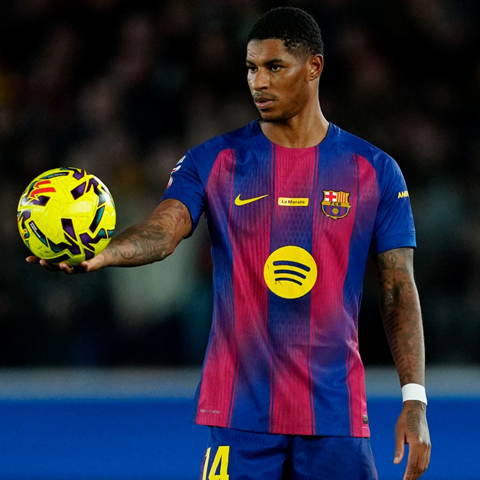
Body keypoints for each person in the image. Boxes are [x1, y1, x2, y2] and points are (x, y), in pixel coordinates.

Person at [28, 7, 431, 480]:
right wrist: (107, 252)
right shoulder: (214, 160)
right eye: (251, 68)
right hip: (240, 418)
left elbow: (397, 288)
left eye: (274, 67)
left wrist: (414, 400)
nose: (259, 82)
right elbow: (165, 230)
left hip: (335, 416)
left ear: (314, 67)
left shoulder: (374, 171)